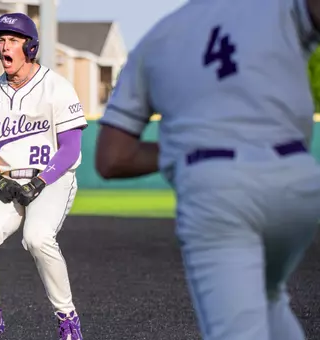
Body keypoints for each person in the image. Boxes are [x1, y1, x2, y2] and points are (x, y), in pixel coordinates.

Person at [94, 0, 320, 339]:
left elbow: (112, 158)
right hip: (296, 179)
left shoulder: (155, 39)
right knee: (269, 295)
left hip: (217, 189)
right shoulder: (277, 7)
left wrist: (186, 147)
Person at [0, 12, 87, 340]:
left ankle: (67, 317)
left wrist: (41, 180)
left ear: (30, 47)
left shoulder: (56, 86)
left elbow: (71, 148)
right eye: (0, 40)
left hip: (53, 178)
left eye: (12, 40)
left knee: (37, 237)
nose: (4, 46)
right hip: (8, 179)